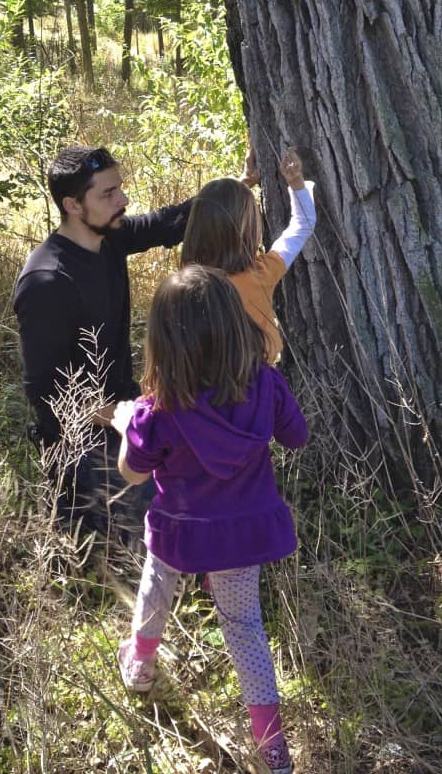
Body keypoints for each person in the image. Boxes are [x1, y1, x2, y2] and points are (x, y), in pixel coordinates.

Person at [111, 265, 307, 774]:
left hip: (180, 533)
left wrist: (125, 422)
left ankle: (140, 666)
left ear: (163, 341)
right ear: (235, 324)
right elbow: (296, 437)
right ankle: (274, 751)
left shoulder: (158, 409)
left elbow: (132, 475)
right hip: (245, 535)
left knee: (157, 587)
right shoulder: (266, 384)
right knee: (245, 630)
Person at [13, 145, 255, 541]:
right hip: (84, 442)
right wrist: (130, 421)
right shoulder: (47, 282)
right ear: (73, 205)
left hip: (130, 414)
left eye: (119, 188)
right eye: (108, 194)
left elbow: (167, 222)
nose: (122, 200)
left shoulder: (107, 239)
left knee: (206, 498)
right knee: (161, 537)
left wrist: (239, 186)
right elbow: (45, 394)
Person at [181, 148, 315, 361]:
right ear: (249, 229)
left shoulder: (184, 286)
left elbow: (217, 212)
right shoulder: (261, 273)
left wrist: (241, 184)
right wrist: (296, 182)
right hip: (258, 389)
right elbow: (304, 224)